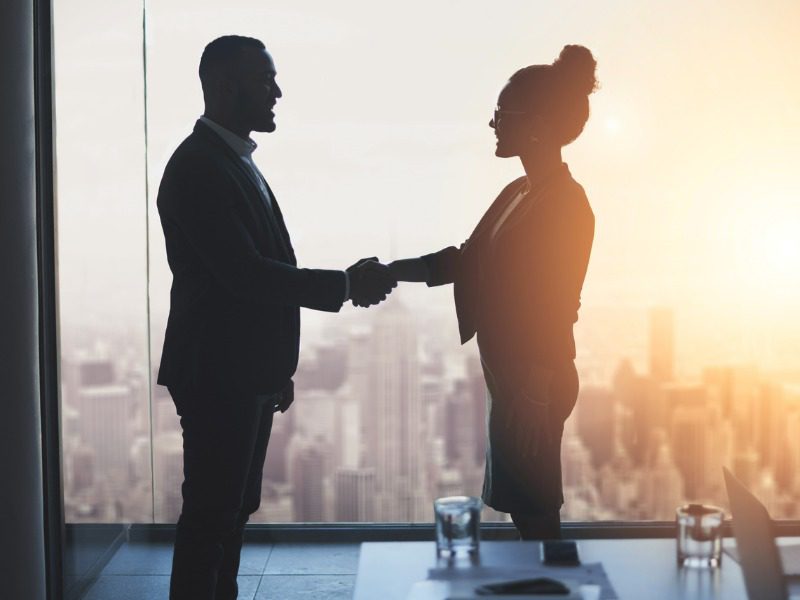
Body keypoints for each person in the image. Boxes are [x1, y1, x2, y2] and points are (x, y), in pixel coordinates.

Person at [156, 35, 395, 600]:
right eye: (265, 80)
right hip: (217, 373)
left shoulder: (231, 162)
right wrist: (344, 285)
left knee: (231, 511)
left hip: (241, 373)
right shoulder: (198, 168)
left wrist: (273, 371)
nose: (277, 93)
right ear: (222, 85)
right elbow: (245, 274)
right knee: (212, 517)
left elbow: (249, 281)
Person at [389, 45, 597, 540]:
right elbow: (467, 260)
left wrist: (532, 392)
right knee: (526, 505)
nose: (492, 124)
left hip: (533, 379)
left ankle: (552, 592)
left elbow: (558, 305)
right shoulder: (519, 192)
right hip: (514, 376)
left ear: (537, 123)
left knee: (535, 508)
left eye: (502, 113)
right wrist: (393, 271)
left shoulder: (567, 204)